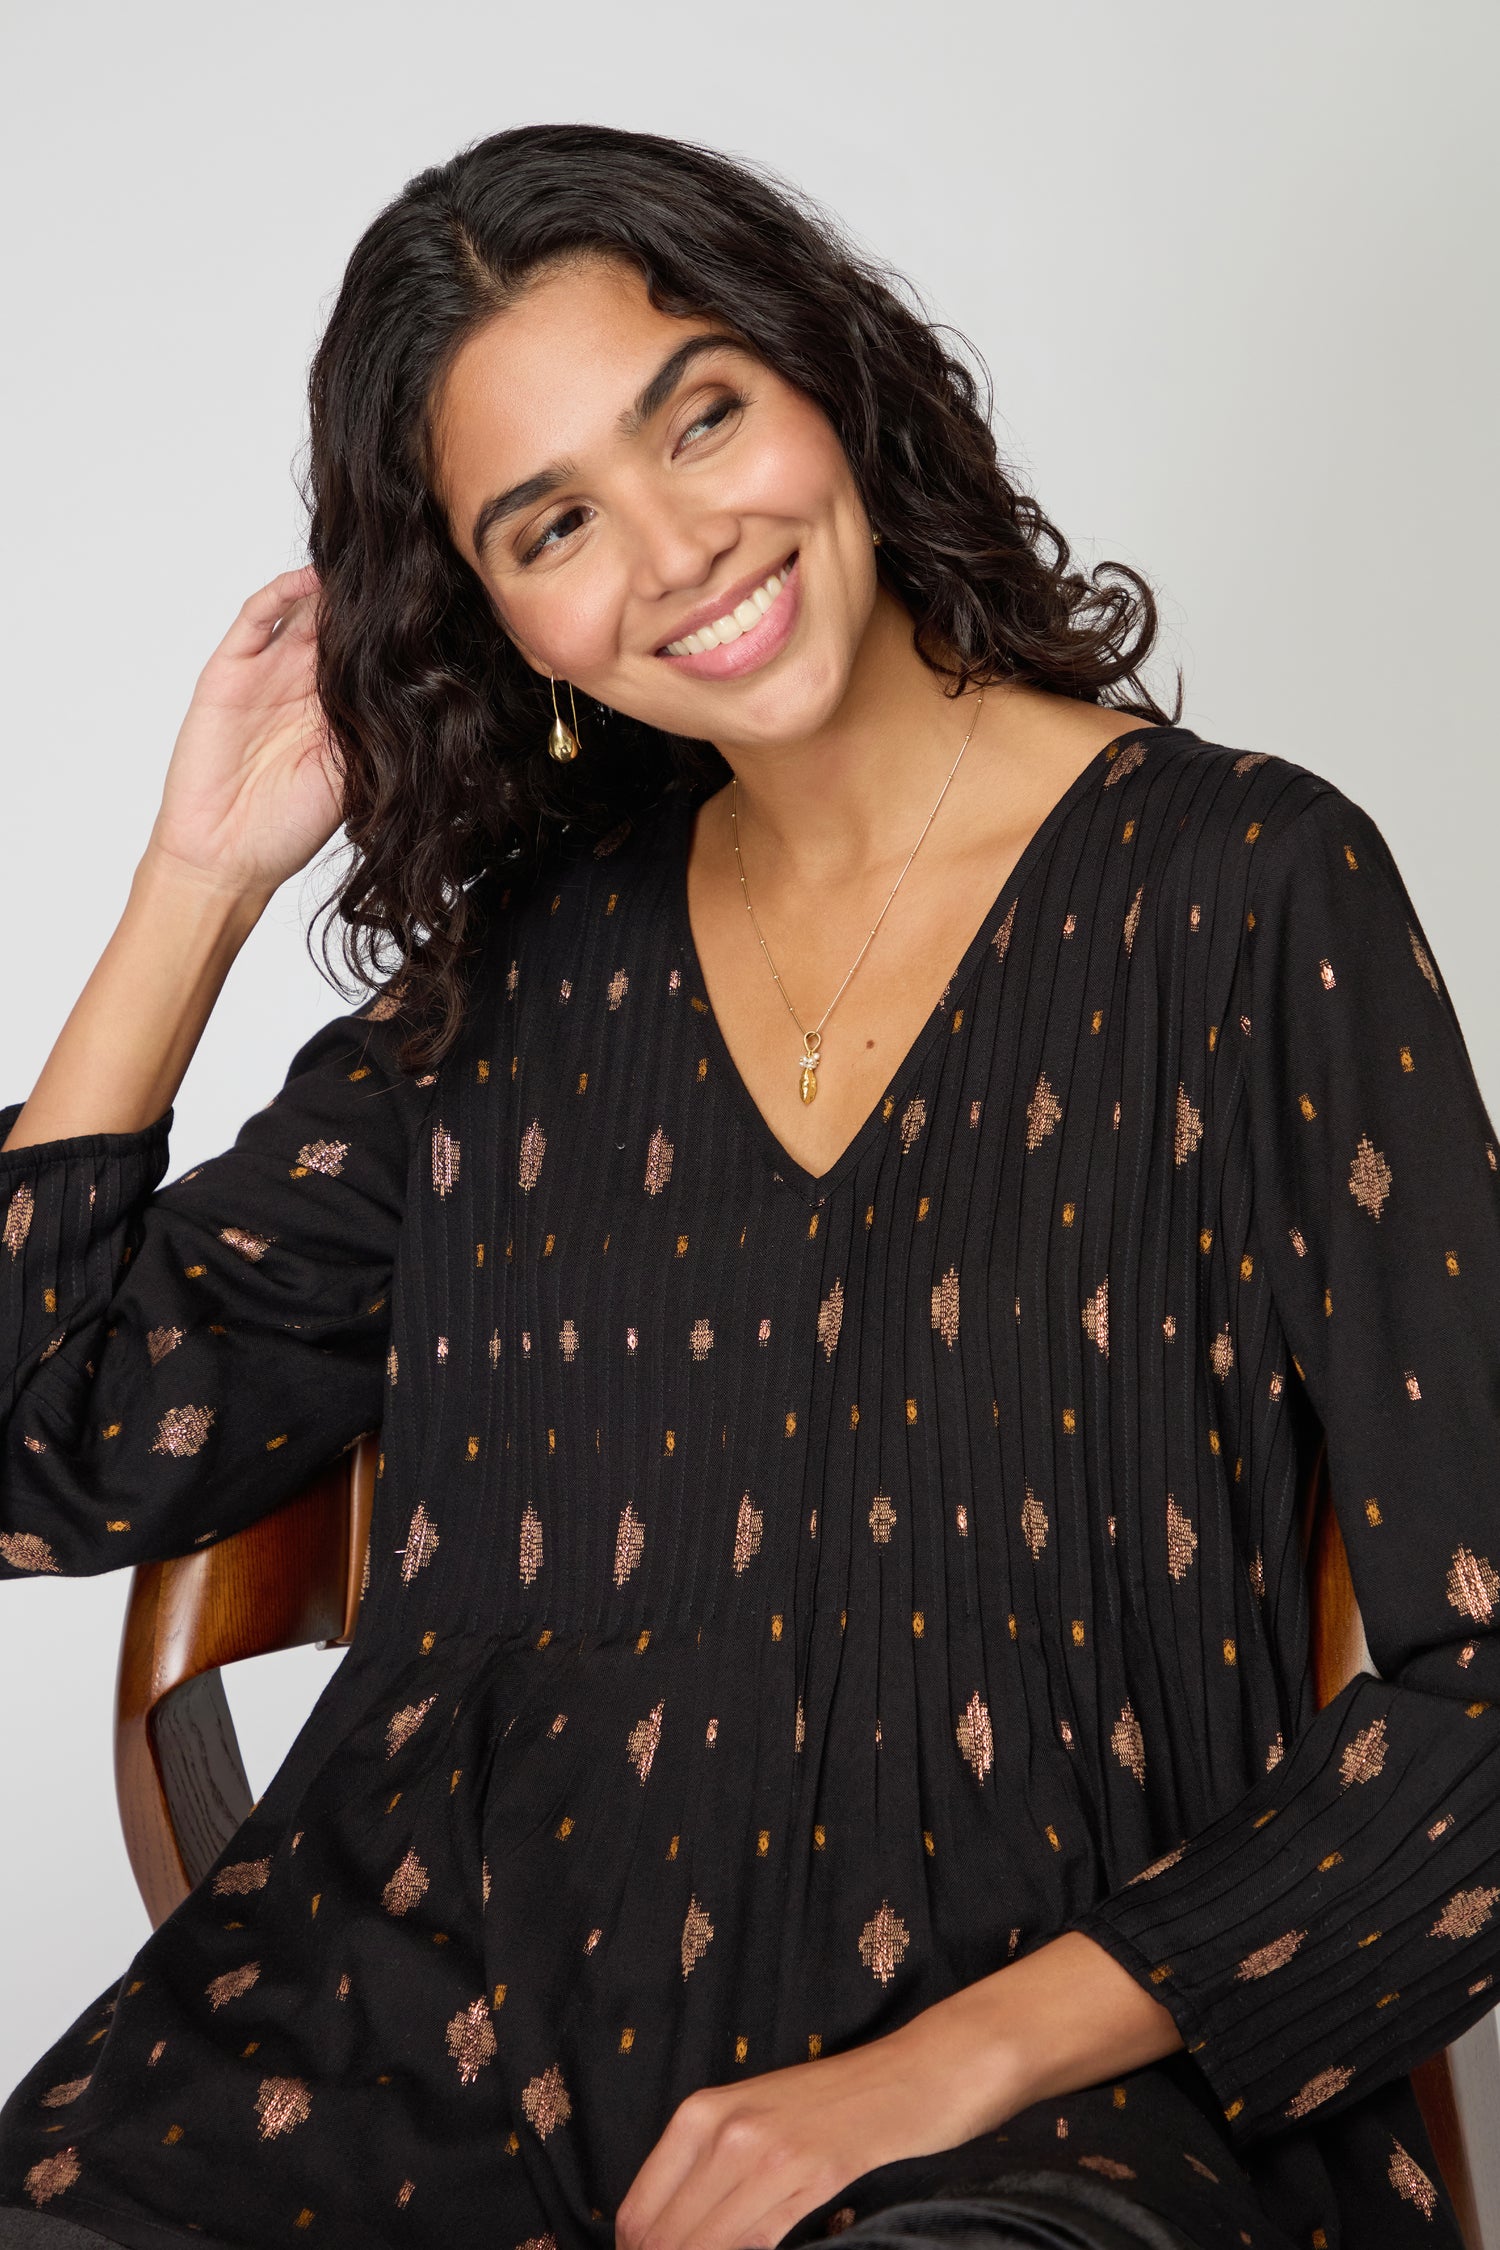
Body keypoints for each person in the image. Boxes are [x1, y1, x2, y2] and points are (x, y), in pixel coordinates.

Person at [0, 121, 1495, 2250]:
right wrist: (193, 888)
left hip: (1033, 2118)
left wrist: (942, 2068)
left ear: (827, 377)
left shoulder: (1248, 897)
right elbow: (39, 1445)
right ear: (491, 612)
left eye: (700, 416)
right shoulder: (514, 982)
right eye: (552, 522)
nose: (681, 546)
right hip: (402, 2072)